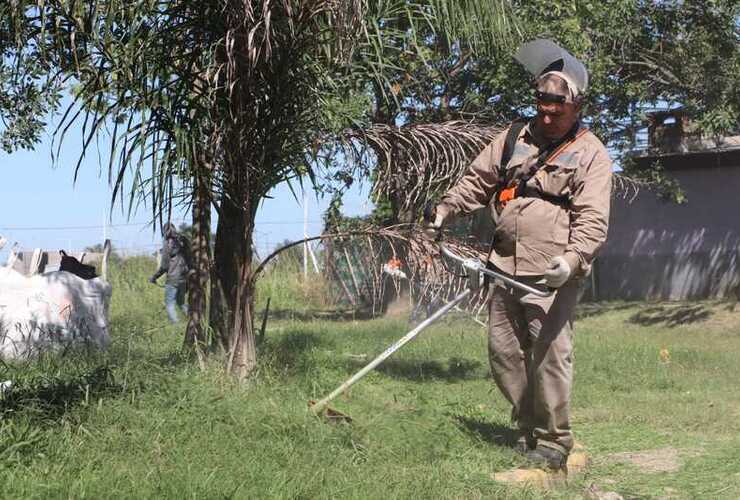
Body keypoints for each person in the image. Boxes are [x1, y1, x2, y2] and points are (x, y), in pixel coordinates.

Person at [426, 40, 612, 469]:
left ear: (576, 106)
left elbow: (593, 220)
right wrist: (446, 208)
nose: (548, 117)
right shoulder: (514, 137)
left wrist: (571, 261)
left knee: (549, 355)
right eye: (542, 108)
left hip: (553, 273)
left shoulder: (592, 155)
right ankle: (526, 428)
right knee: (504, 353)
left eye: (557, 110)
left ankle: (553, 441)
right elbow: (477, 180)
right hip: (504, 264)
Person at [149, 223, 191, 324]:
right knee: (181, 302)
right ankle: (190, 320)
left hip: (173, 279)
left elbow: (164, 266)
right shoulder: (183, 241)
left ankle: (176, 325)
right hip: (184, 277)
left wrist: (154, 277)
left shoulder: (168, 243)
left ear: (164, 231)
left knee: (169, 304)